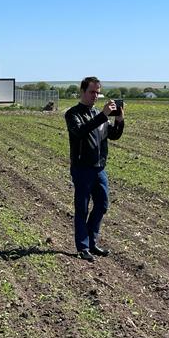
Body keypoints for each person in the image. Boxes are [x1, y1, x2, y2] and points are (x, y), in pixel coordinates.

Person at [64, 76, 125, 262]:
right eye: (92, 92)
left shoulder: (99, 114)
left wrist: (119, 120)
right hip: (82, 168)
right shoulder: (73, 114)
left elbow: (113, 135)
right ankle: (83, 247)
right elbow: (80, 131)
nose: (95, 96)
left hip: (99, 169)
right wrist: (103, 115)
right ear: (82, 92)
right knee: (82, 209)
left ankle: (91, 242)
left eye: (98, 92)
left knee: (102, 205)